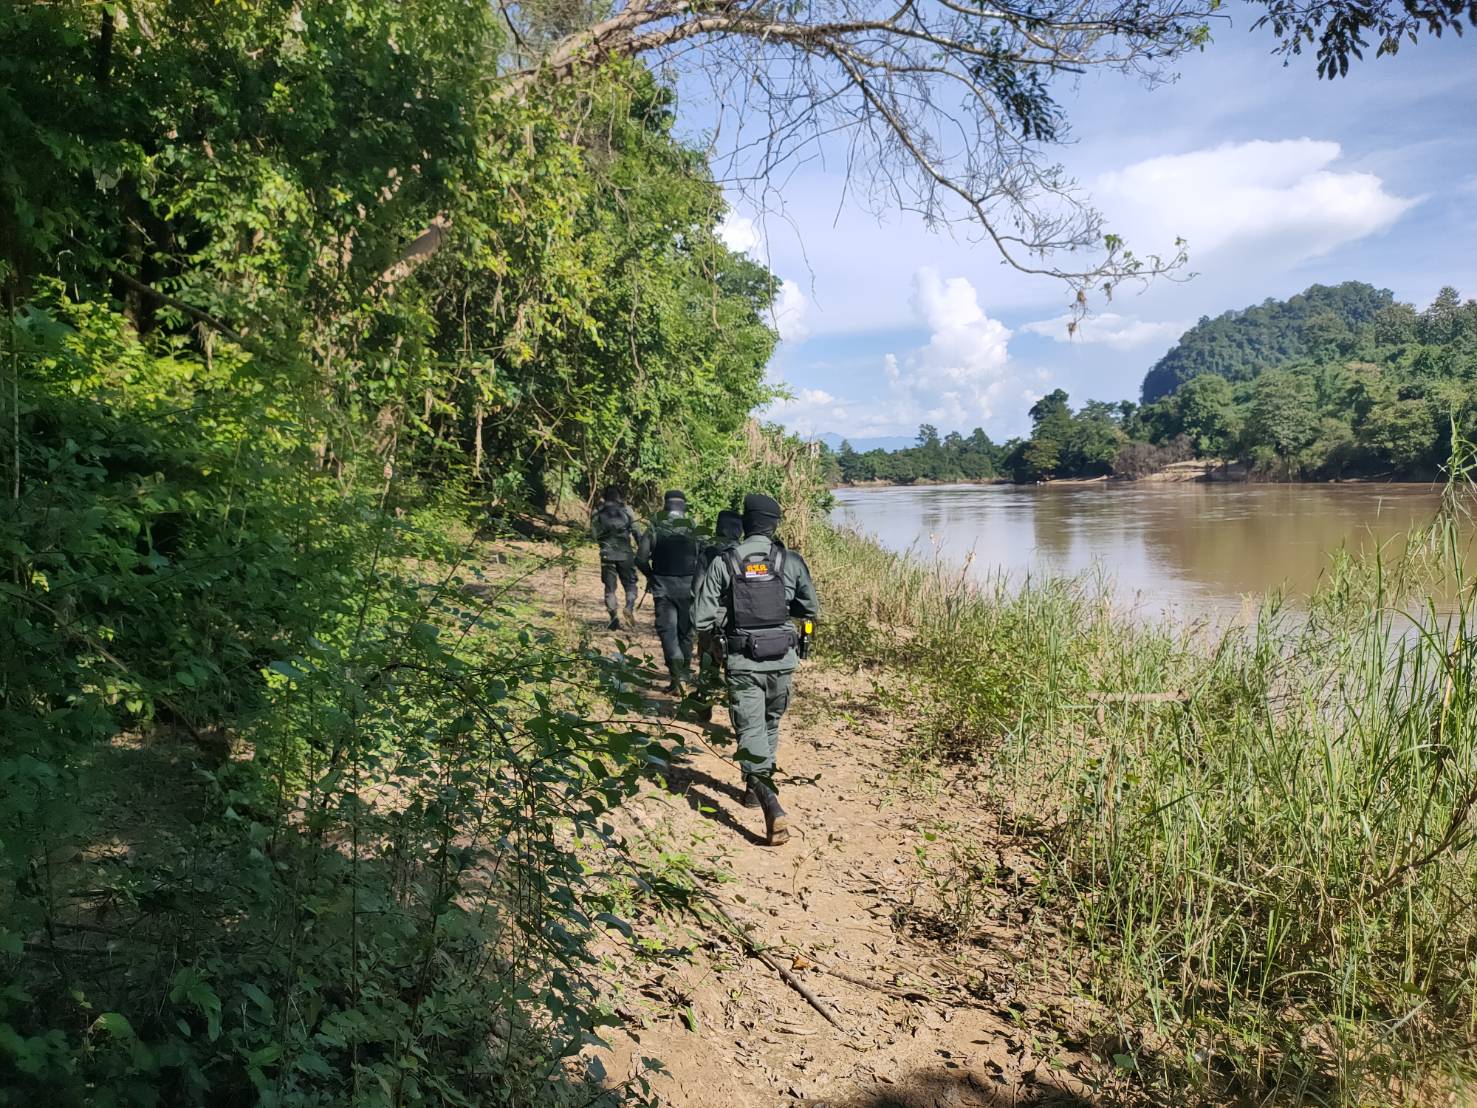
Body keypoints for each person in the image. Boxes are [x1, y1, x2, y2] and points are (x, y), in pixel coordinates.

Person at [693, 493, 820, 846]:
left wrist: (729, 619)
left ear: (746, 524)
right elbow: (810, 608)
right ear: (774, 525)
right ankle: (755, 789)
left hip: (743, 662)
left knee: (750, 730)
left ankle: (769, 801)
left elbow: (701, 618)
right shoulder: (790, 561)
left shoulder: (725, 562)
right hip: (782, 661)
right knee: (769, 723)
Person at [636, 489, 703, 694]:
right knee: (686, 634)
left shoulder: (655, 527)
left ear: (665, 505)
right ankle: (682, 676)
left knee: (668, 633)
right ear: (684, 506)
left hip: (663, 588)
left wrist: (651, 575)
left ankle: (677, 676)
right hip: (689, 589)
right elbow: (703, 558)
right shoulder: (693, 527)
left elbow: (640, 558)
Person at [692, 509, 744, 720]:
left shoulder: (709, 553)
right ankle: (738, 715)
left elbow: (696, 589)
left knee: (708, 665)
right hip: (740, 619)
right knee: (736, 669)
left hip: (712, 616)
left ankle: (704, 704)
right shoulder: (745, 553)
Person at [590, 486, 640, 631]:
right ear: (619, 496)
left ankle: (613, 618)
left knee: (610, 587)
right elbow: (636, 531)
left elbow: (594, 534)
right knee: (630, 583)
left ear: (604, 496)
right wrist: (643, 549)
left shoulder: (597, 512)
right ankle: (629, 606)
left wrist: (603, 541)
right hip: (625, 553)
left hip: (607, 554)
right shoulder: (627, 510)